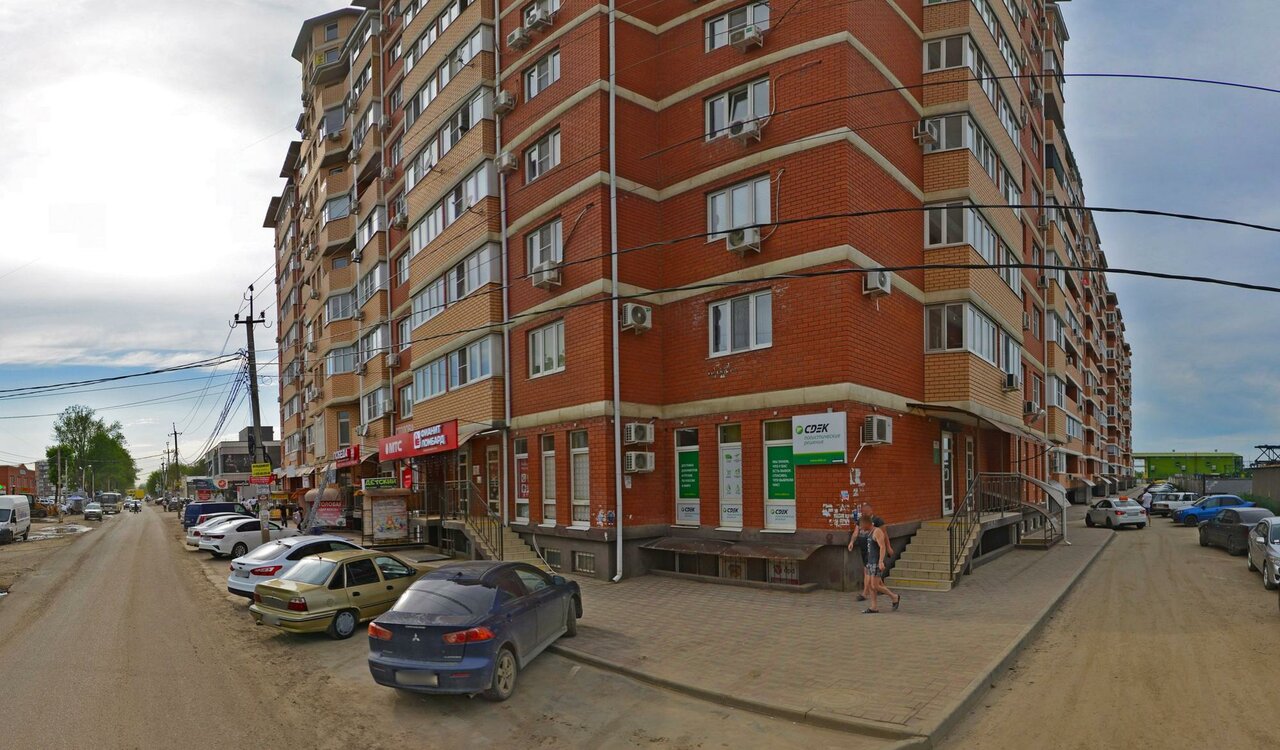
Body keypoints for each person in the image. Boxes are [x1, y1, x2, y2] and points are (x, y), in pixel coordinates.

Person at [855, 514, 900, 614]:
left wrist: (880, 561)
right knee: (871, 586)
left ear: (866, 524)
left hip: (876, 562)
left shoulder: (877, 531)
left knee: (875, 585)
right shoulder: (869, 532)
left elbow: (882, 547)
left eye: (861, 526)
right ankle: (874, 607)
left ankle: (894, 597)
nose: (860, 528)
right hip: (870, 561)